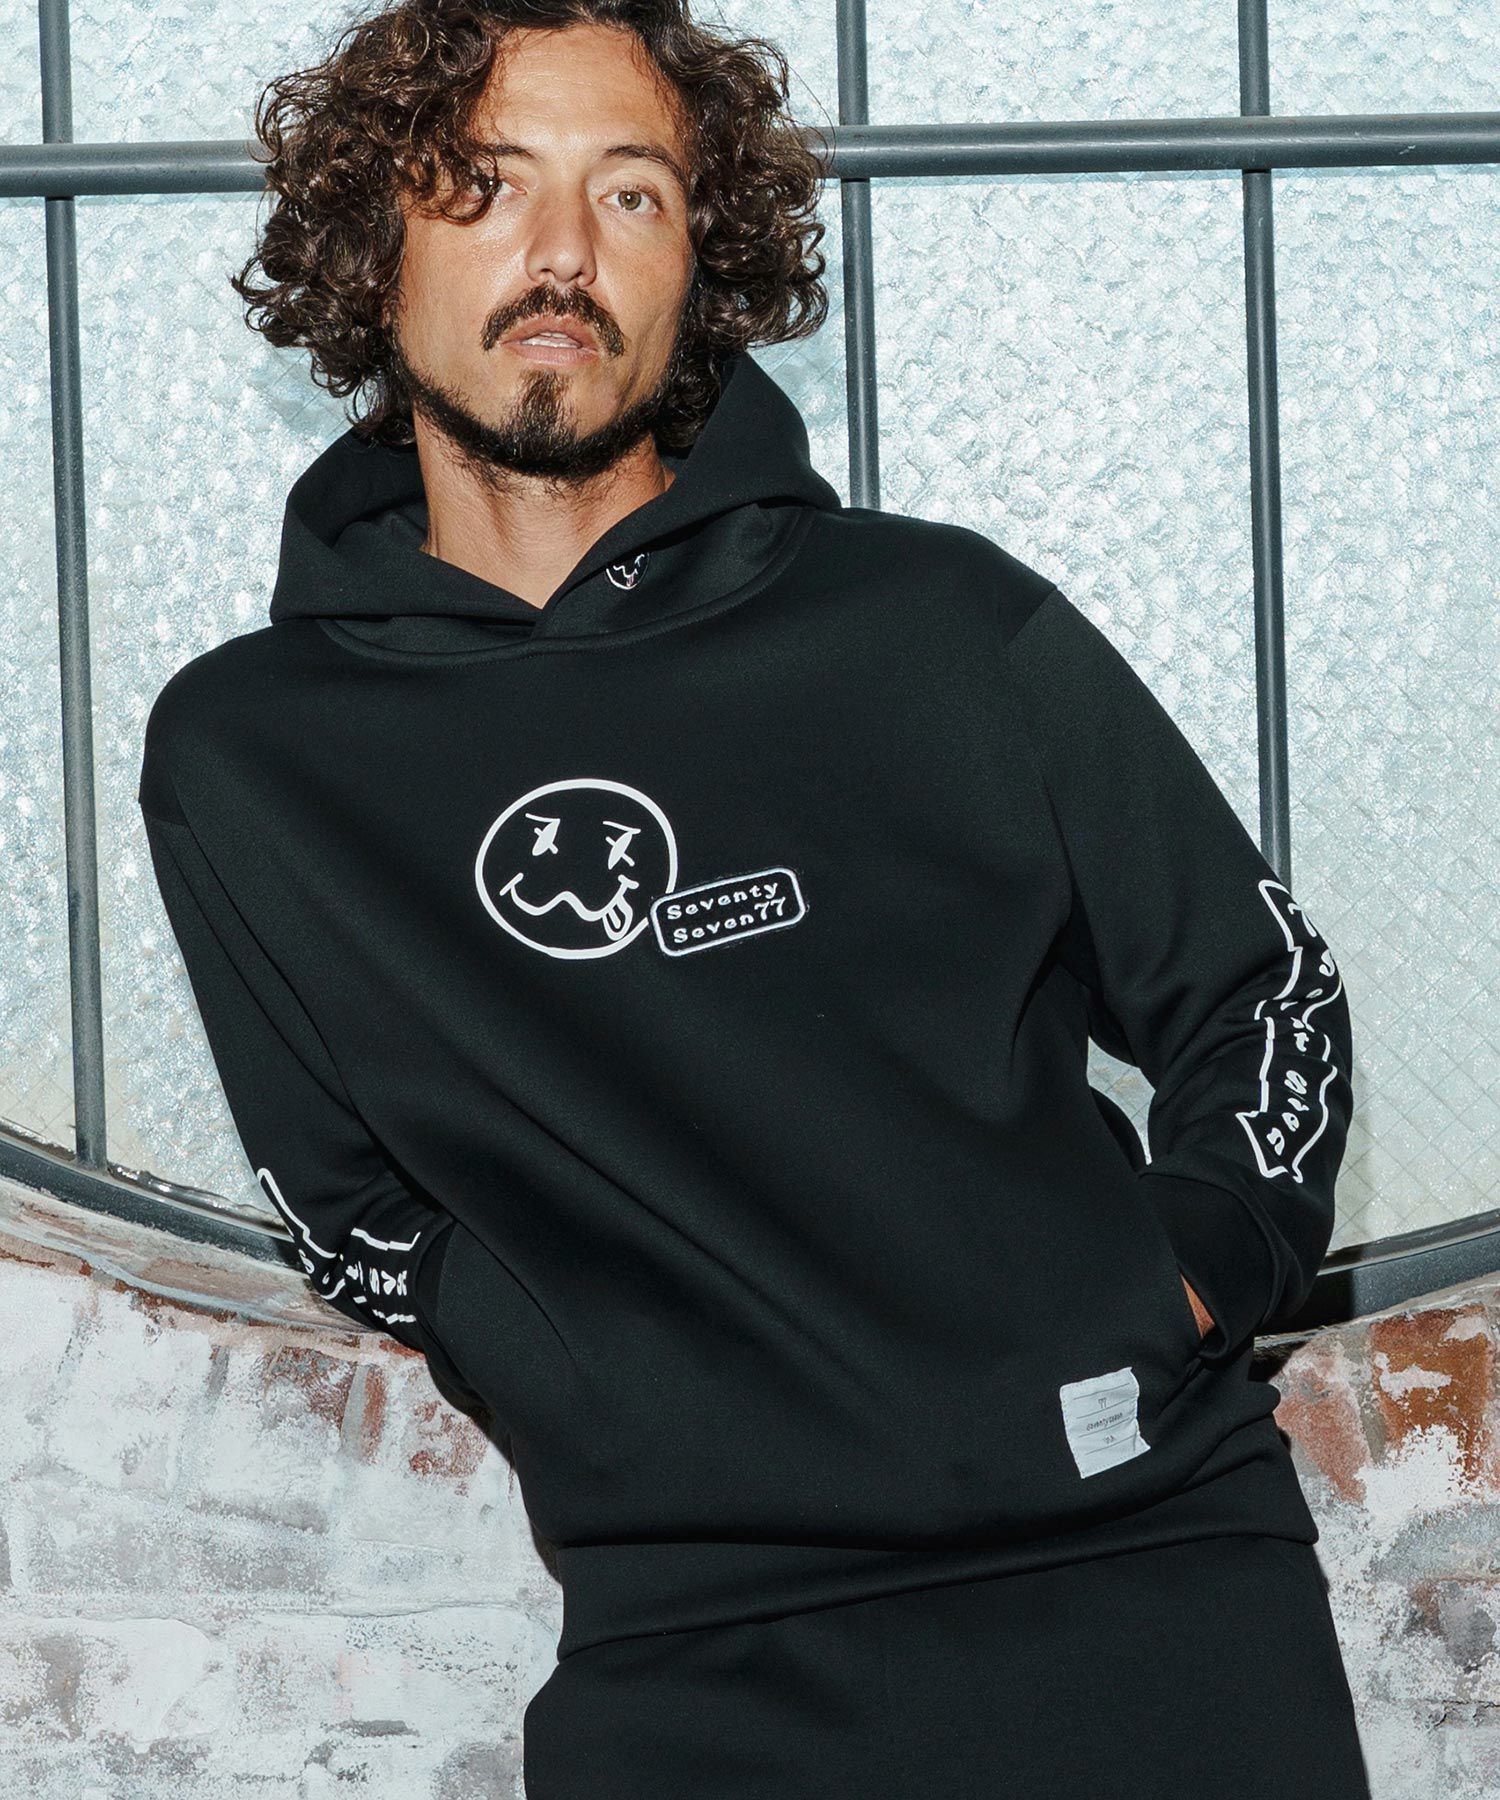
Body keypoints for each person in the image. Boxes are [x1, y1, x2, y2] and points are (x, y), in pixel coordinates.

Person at [137, 3, 1371, 1794]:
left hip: (1146, 1581)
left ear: (700, 261)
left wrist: (1172, 1283)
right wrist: (596, 1391)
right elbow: (347, 1204)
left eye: (632, 193)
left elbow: (1259, 991)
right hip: (687, 1655)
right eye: (487, 185)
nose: (563, 252)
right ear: (370, 242)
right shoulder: (254, 755)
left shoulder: (938, 625)